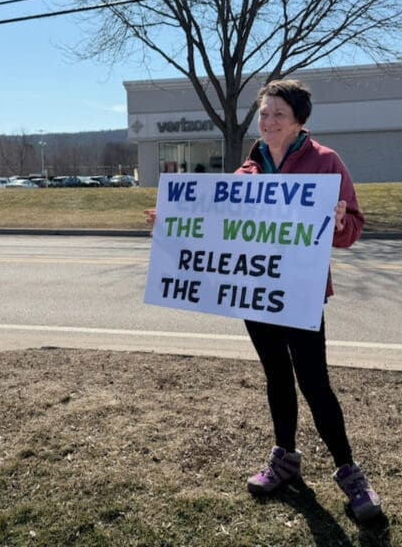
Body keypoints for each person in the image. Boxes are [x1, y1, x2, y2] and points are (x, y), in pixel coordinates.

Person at [144, 79, 381, 523]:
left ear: (298, 122)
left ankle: (349, 472)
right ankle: (285, 460)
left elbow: (352, 230)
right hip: (256, 291)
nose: (268, 122)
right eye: (264, 113)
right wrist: (172, 219)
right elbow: (216, 218)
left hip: (302, 291)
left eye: (278, 115)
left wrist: (340, 221)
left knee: (314, 381)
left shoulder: (325, 162)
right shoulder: (248, 171)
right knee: (276, 375)